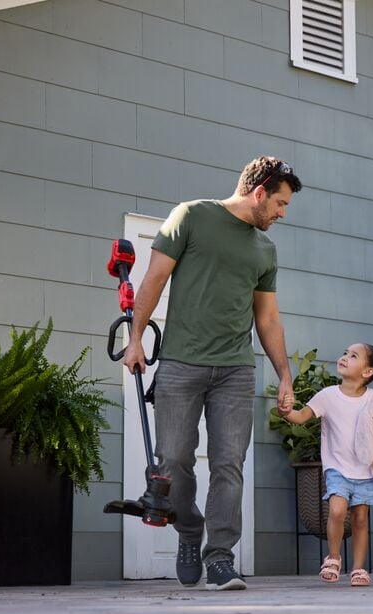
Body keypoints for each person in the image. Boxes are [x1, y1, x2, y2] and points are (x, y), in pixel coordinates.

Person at [122, 156, 302, 591]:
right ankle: (189, 528)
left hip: (235, 370)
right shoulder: (191, 216)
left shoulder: (265, 250)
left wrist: (285, 375)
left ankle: (220, 557)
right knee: (174, 460)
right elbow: (154, 279)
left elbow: (268, 318)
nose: (282, 213)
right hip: (181, 363)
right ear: (259, 193)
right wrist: (135, 338)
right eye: (279, 203)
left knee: (229, 465)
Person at [279, 343, 373, 587]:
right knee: (338, 511)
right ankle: (333, 558)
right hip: (337, 468)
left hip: (365, 469)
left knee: (360, 519)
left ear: (367, 372)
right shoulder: (328, 395)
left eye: (353, 356)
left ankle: (359, 569)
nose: (344, 357)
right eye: (345, 353)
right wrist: (286, 412)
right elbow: (302, 416)